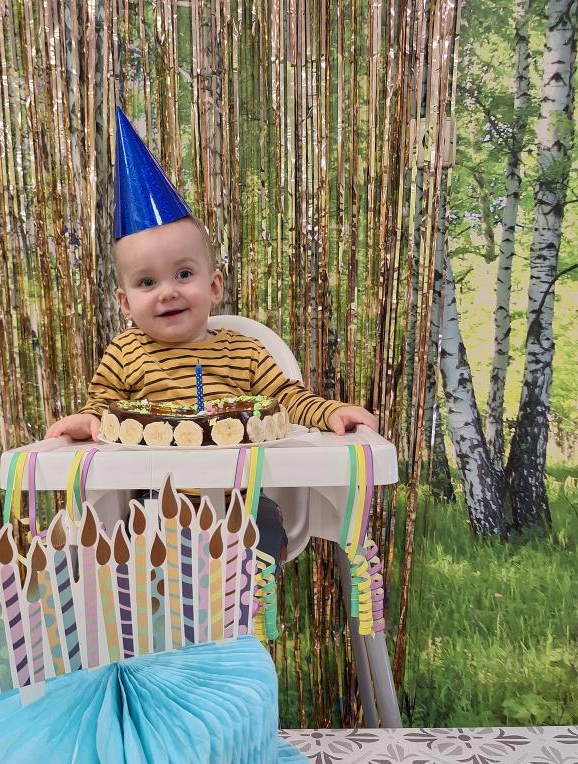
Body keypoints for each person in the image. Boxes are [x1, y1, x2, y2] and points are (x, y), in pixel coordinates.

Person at [46, 109, 377, 571]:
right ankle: (165, 614)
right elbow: (104, 406)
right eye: (147, 283)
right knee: (136, 553)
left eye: (184, 274)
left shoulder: (245, 352)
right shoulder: (125, 353)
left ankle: (250, 609)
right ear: (125, 303)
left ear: (214, 285)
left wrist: (331, 413)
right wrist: (88, 419)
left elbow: (287, 400)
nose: (167, 292)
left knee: (261, 539)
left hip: (243, 502)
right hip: (157, 503)